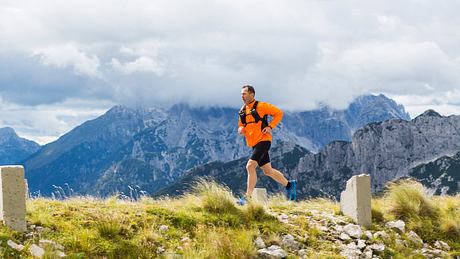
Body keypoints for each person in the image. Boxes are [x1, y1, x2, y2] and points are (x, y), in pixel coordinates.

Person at [237, 85, 296, 205]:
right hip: (254, 143)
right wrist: (241, 129)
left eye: (244, 93)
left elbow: (278, 113)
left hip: (264, 141)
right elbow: (241, 125)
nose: (242, 96)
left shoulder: (262, 106)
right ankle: (290, 185)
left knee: (250, 166)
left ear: (252, 94)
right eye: (241, 94)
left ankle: (247, 198)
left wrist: (270, 127)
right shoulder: (243, 111)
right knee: (268, 171)